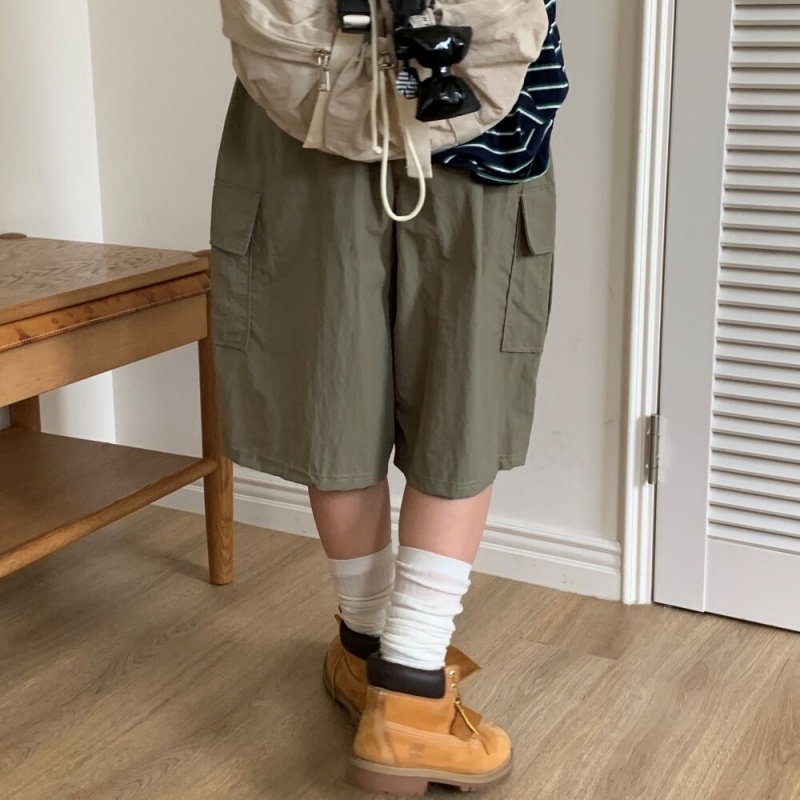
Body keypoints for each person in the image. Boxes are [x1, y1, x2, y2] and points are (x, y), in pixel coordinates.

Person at [210, 0, 568, 794]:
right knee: (463, 390)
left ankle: (367, 646)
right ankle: (406, 688)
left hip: (307, 101)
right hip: (481, 111)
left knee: (330, 383)